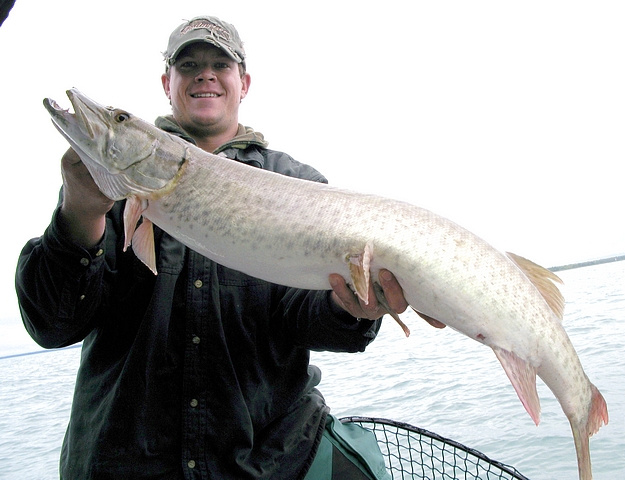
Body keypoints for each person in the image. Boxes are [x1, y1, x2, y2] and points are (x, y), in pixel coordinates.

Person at [16, 15, 441, 479]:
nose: (206, 73)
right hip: (127, 462)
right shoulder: (103, 192)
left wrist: (352, 310)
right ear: (167, 82)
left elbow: (308, 320)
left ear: (244, 83)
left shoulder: (296, 183)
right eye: (189, 64)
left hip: (268, 461)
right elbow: (52, 323)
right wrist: (78, 214)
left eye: (221, 63)